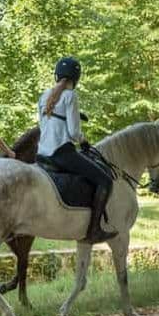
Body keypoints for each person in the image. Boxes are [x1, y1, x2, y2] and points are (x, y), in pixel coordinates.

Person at [37, 57, 118, 244]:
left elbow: (44, 126)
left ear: (56, 75)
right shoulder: (70, 96)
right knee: (105, 181)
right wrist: (84, 141)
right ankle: (94, 230)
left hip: (41, 154)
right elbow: (73, 133)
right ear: (76, 78)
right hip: (61, 154)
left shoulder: (44, 96)